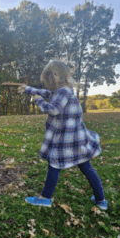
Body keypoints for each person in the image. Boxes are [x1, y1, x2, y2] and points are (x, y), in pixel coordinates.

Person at [17, 60, 108, 210]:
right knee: (87, 168)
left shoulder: (63, 92)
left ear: (55, 77)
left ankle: (45, 198)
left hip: (66, 140)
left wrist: (39, 101)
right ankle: (101, 200)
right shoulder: (63, 90)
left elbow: (53, 109)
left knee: (54, 164)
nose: (46, 85)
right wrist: (28, 89)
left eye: (47, 81)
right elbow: (47, 93)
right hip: (76, 139)